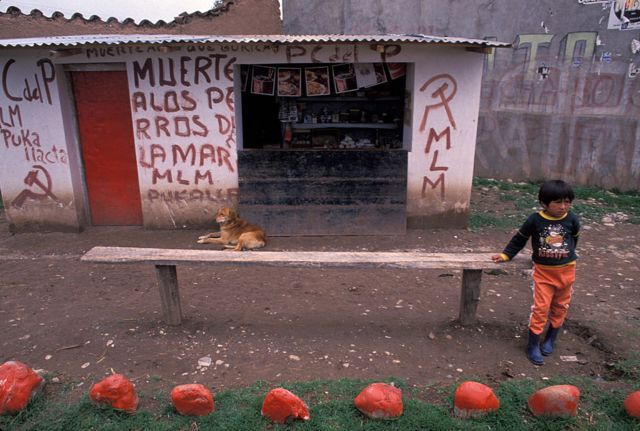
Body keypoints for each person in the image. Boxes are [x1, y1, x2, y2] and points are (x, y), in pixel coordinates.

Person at [491, 180, 580, 365]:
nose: (563, 206)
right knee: (540, 309)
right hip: (544, 274)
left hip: (567, 272)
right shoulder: (535, 219)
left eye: (567, 202)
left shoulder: (572, 219)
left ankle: (550, 339)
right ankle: (533, 345)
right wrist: (506, 255)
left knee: (561, 307)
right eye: (557, 202)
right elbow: (519, 239)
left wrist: (566, 256)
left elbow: (574, 239)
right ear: (544, 203)